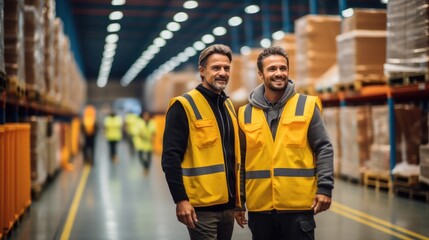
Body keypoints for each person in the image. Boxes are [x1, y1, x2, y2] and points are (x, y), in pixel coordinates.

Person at [235, 46, 334, 240]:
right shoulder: (244, 113)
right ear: (260, 74)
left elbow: (324, 147)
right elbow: (241, 161)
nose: (279, 73)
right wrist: (239, 201)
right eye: (272, 69)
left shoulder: (306, 105)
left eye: (283, 68)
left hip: (297, 207)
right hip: (260, 209)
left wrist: (325, 188)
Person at [161, 44, 242, 240]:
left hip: (228, 207)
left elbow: (232, 156)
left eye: (226, 68)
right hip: (201, 208)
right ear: (202, 71)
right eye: (216, 68)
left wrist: (239, 202)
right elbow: (170, 157)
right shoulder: (184, 105)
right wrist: (180, 199)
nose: (222, 73)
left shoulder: (228, 105)